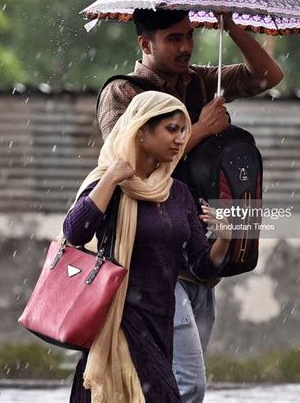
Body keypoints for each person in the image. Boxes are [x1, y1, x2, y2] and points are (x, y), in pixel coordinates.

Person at [97, 8, 284, 402]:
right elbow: (127, 166)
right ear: (145, 44)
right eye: (173, 39)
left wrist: (230, 24)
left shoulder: (201, 80)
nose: (185, 46)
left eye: (189, 36)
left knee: (165, 384)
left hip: (199, 257)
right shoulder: (124, 93)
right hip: (150, 259)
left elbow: (268, 76)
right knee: (184, 383)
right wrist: (200, 129)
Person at [63, 91, 232, 403]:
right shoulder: (109, 181)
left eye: (184, 130)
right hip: (118, 319)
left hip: (159, 319)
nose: (181, 138)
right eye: (171, 129)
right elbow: (75, 232)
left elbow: (200, 264)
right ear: (142, 130)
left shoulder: (177, 193)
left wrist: (224, 239)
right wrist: (111, 179)